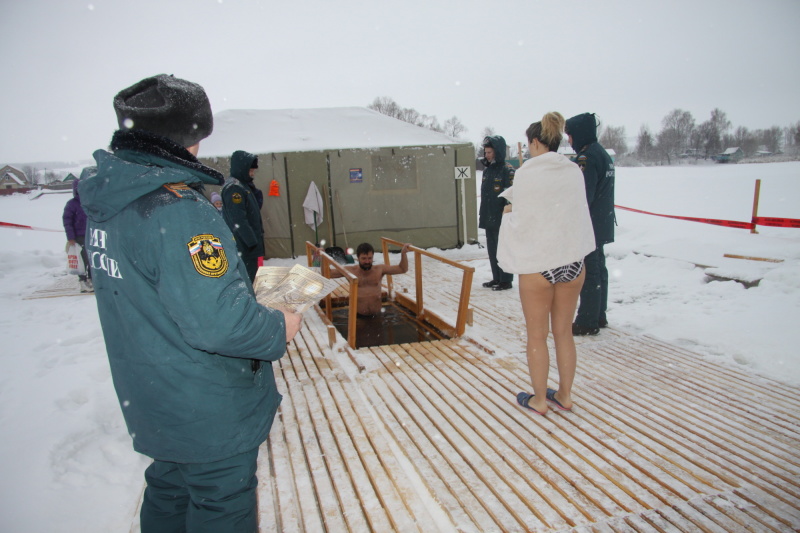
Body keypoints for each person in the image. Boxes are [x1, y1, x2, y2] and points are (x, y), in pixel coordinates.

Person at [78, 73, 303, 533]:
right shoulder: (177, 209)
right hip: (205, 405)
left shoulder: (112, 200)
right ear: (192, 134)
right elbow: (218, 325)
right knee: (220, 502)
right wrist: (280, 325)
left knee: (169, 488)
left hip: (155, 395)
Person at [497, 112, 595, 415]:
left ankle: (539, 399)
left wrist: (509, 213)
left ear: (536, 142)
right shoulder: (573, 170)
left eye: (528, 145)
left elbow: (523, 217)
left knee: (537, 335)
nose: (527, 150)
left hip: (540, 264)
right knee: (563, 332)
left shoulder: (527, 172)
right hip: (572, 262)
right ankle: (564, 395)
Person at [565, 113, 616, 336]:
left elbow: (583, 195)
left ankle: (587, 320)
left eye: (570, 135)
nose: (569, 140)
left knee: (590, 272)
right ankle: (599, 314)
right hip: (601, 221)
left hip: (590, 224)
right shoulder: (602, 153)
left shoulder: (587, 158)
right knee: (598, 269)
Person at [327, 242, 410, 316]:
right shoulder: (350, 271)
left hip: (377, 315)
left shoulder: (379, 269)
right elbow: (328, 274)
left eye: (370, 258)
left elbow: (402, 269)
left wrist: (403, 254)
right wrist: (323, 257)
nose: (367, 261)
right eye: (364, 258)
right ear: (358, 258)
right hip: (358, 316)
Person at [221, 150, 265, 283]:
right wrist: (252, 243)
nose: (252, 173)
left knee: (256, 278)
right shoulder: (235, 189)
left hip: (250, 246)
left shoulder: (243, 186)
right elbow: (238, 219)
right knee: (250, 280)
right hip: (246, 248)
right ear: (242, 168)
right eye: (250, 170)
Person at [479, 135, 515, 291]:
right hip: (489, 216)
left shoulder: (507, 171)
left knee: (504, 248)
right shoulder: (487, 171)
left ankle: (506, 280)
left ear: (497, 152)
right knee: (493, 249)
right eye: (485, 152)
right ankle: (497, 277)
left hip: (502, 218)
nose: (486, 155)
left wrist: (506, 215)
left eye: (489, 152)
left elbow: (511, 196)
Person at [62, 171, 93, 293]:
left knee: (91, 259)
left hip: (91, 235)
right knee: (82, 260)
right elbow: (67, 221)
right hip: (79, 237)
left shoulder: (90, 202)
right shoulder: (72, 204)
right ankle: (83, 281)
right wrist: (71, 238)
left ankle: (91, 279)